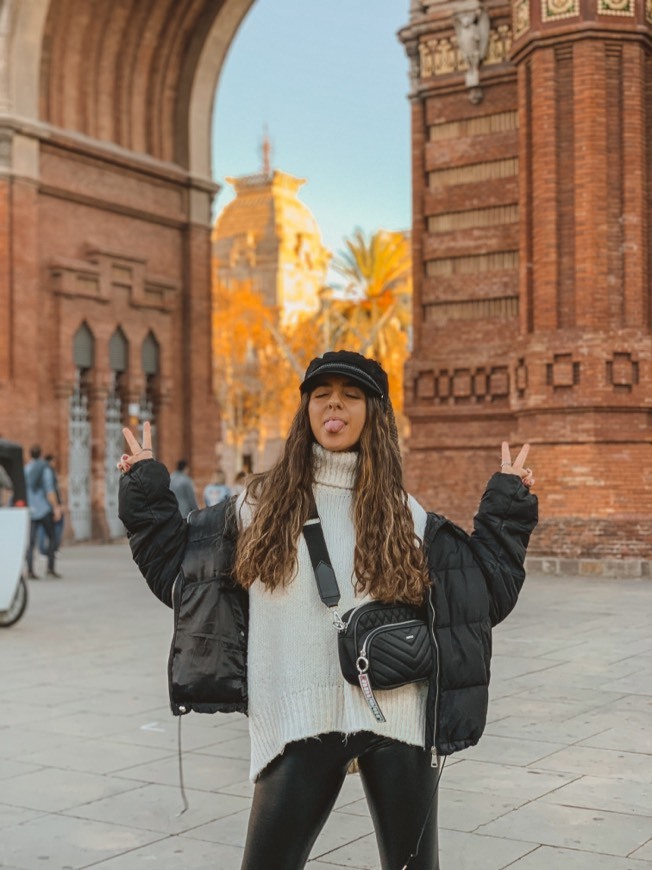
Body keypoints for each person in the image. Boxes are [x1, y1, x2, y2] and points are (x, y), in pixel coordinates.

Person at [117, 350, 538, 870]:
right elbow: (184, 579)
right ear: (307, 410)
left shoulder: (403, 512)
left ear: (373, 413)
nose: (334, 403)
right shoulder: (258, 507)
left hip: (398, 720)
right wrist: (143, 489)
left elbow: (477, 598)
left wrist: (509, 507)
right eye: (321, 393)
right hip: (299, 718)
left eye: (351, 394)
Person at [24, 444, 63, 579]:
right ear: (40, 454)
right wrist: (56, 507)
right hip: (44, 509)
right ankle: (50, 568)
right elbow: (49, 491)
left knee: (31, 541)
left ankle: (29, 570)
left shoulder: (26, 469)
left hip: (31, 509)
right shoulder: (45, 469)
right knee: (52, 538)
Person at [37, 454, 64, 556]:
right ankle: (49, 550)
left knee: (43, 529)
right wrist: (56, 506)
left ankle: (46, 550)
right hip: (49, 505)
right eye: (53, 461)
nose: (54, 464)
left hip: (43, 505)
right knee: (52, 528)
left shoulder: (42, 472)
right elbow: (51, 491)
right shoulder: (48, 472)